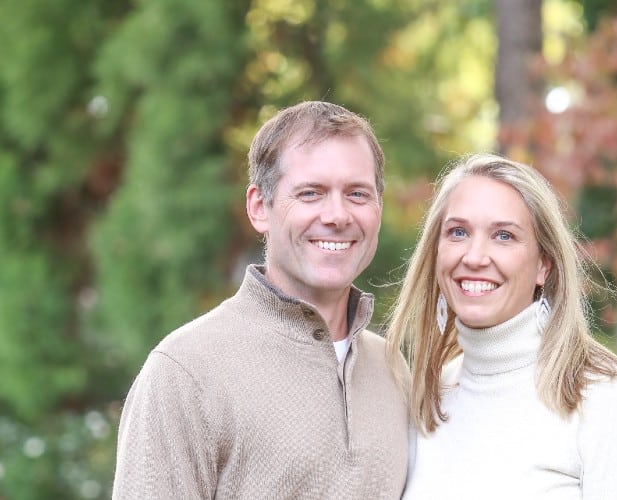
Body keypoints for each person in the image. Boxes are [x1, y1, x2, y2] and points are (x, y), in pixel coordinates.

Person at [113, 101, 410, 499]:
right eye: (311, 193)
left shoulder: (392, 369)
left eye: (357, 194)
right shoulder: (185, 373)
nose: (338, 215)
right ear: (259, 207)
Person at [386, 153, 617, 499]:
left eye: (503, 236)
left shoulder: (604, 397)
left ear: (543, 266)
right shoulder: (430, 397)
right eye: (458, 232)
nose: (474, 257)